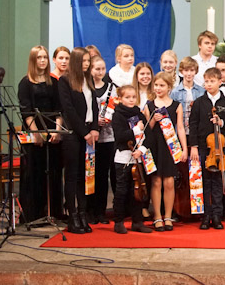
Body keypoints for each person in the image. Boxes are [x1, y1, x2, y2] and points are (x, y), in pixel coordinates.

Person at [17, 45, 64, 223]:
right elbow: (26, 111)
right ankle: (32, 214)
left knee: (53, 172)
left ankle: (53, 211)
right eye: (39, 57)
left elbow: (59, 109)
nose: (43, 60)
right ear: (33, 60)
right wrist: (35, 133)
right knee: (33, 173)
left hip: (52, 133)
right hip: (33, 133)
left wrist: (57, 131)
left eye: (45, 57)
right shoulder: (25, 83)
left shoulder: (54, 82)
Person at [189, 67, 225, 230]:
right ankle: (206, 215)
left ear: (220, 81)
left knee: (218, 181)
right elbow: (193, 124)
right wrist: (193, 146)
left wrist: (222, 123)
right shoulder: (199, 103)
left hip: (221, 150)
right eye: (206, 81)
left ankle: (217, 215)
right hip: (204, 147)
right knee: (205, 181)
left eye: (212, 81)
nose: (208, 84)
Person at [57, 47, 99, 234]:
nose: (87, 64)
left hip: (89, 132)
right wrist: (84, 133)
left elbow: (94, 106)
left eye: (88, 61)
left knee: (85, 175)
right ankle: (72, 215)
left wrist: (95, 128)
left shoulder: (88, 79)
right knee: (72, 176)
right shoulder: (65, 81)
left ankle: (83, 213)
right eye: (84, 61)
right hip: (73, 134)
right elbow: (69, 110)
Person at [144, 72, 188, 232]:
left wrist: (184, 149)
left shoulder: (176, 105)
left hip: (170, 146)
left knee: (169, 182)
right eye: (156, 85)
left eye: (162, 85)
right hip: (154, 146)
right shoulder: (149, 105)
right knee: (156, 182)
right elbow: (145, 131)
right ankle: (157, 216)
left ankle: (168, 216)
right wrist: (153, 120)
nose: (158, 88)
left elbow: (180, 128)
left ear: (169, 87)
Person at [110, 85, 153, 234]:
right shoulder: (117, 115)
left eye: (133, 97)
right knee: (122, 191)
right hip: (123, 158)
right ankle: (118, 221)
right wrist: (136, 130)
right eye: (127, 97)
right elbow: (120, 136)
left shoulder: (139, 114)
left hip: (138, 158)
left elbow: (149, 136)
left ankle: (137, 221)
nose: (131, 100)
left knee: (137, 191)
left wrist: (141, 150)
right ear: (120, 99)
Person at [87, 56, 114, 225]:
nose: (100, 72)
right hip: (90, 137)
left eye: (103, 68)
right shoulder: (87, 87)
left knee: (103, 176)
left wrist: (107, 118)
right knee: (90, 175)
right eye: (97, 69)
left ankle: (101, 211)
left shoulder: (111, 88)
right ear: (91, 70)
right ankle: (89, 210)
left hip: (107, 137)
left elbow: (114, 107)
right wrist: (94, 122)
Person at [170, 57, 205, 138]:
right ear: (181, 71)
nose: (189, 74)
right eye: (186, 70)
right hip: (180, 131)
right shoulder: (175, 92)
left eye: (192, 70)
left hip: (197, 131)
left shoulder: (201, 91)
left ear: (196, 71)